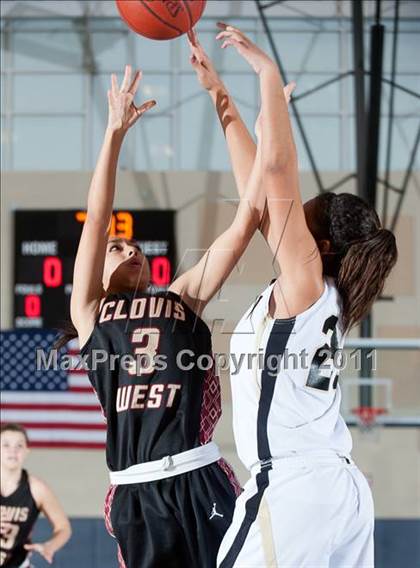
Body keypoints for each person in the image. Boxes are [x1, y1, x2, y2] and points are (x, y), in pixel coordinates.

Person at [188, 25, 397, 568]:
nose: (293, 213)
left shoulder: (306, 284)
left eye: (309, 212)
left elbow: (277, 173)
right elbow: (259, 193)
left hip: (296, 485)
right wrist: (221, 99)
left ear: (321, 243)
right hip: (338, 489)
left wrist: (267, 74)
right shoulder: (319, 293)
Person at [66, 63, 273, 568]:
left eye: (136, 247)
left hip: (199, 476)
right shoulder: (90, 312)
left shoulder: (182, 298)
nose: (129, 251)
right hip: (136, 489)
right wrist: (113, 134)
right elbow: (97, 215)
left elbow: (244, 224)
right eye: (117, 247)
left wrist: (245, 120)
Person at [0, 423, 71, 567]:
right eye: (6, 445)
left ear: (27, 450)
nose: (12, 451)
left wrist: (50, 546)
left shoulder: (36, 489)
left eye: (19, 446)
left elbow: (63, 527)